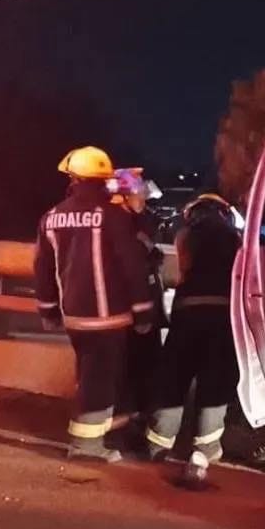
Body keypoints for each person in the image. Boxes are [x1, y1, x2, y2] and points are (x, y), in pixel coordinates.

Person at [34, 147, 156, 462]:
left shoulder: (51, 217)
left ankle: (94, 436)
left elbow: (43, 268)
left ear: (73, 178)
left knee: (89, 374)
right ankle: (86, 447)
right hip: (109, 317)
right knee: (100, 378)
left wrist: (48, 309)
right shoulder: (112, 216)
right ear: (103, 181)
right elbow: (132, 266)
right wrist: (143, 311)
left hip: (74, 316)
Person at [146, 193, 241, 487]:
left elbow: (185, 268)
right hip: (223, 314)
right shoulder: (235, 237)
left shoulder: (186, 235)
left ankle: (158, 446)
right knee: (215, 383)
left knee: (174, 377)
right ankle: (206, 449)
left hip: (188, 312)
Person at [107, 168, 166, 445]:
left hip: (140, 309)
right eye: (138, 194)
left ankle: (135, 424)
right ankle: (126, 431)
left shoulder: (133, 223)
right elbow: (134, 271)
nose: (143, 198)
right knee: (132, 371)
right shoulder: (121, 225)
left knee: (143, 369)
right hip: (131, 312)